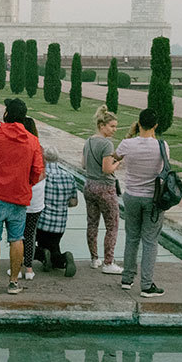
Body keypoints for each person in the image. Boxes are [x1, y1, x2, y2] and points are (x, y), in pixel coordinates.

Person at [0, 87, 45, 294]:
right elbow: (38, 171)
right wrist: (26, 184)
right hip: (18, 197)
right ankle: (14, 283)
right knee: (17, 239)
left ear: (6, 114)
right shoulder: (32, 141)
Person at [115, 108, 166, 298]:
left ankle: (127, 279)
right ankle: (146, 285)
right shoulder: (162, 146)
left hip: (132, 196)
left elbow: (115, 156)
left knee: (132, 237)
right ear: (155, 125)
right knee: (150, 241)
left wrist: (130, 133)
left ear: (138, 123)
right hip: (152, 198)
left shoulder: (127, 144)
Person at [82, 105, 123, 274]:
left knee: (92, 224)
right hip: (105, 188)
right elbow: (107, 169)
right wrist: (118, 162)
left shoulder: (89, 141)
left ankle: (94, 259)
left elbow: (84, 164)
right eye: (112, 126)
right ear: (102, 126)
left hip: (89, 185)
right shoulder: (107, 144)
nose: (114, 129)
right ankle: (108, 262)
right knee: (112, 226)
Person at [35, 145, 79, 277]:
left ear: (43, 158)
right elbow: (73, 202)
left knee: (30, 245)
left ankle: (42, 255)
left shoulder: (41, 175)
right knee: (54, 247)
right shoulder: (69, 177)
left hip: (42, 222)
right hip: (59, 225)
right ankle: (63, 258)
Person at [21, 116, 45, 281]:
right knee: (30, 233)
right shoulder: (39, 147)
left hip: (21, 194)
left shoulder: (19, 146)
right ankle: (28, 268)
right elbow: (41, 174)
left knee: (16, 235)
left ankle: (15, 268)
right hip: (36, 194)